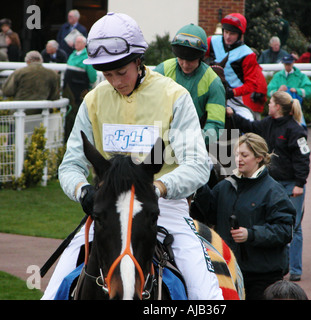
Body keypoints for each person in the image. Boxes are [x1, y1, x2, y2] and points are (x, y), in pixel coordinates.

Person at [42, 12, 223, 300]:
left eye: (120, 72)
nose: (114, 82)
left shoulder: (174, 97)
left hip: (162, 207)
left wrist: (159, 188)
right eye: (107, 74)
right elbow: (71, 164)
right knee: (51, 294)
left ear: (138, 60)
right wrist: (82, 191)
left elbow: (198, 164)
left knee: (208, 297)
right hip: (107, 209)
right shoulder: (92, 101)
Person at [226, 91, 310, 283]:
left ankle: (294, 269)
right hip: (272, 184)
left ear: (278, 106)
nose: (268, 105)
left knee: (293, 227)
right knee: (270, 224)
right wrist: (232, 114)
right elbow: (250, 126)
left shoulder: (295, 129)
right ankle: (280, 264)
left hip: (291, 185)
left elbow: (303, 157)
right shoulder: (268, 124)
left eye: (271, 103)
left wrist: (300, 183)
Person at [200, 133, 296, 299]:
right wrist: (200, 183)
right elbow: (207, 214)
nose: (239, 159)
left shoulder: (274, 191)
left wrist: (251, 234)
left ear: (259, 158)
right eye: (237, 154)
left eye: (244, 155)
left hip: (262, 276)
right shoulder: (224, 186)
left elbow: (285, 230)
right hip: (228, 271)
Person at [154, 23, 225, 145]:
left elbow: (216, 125)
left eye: (191, 60)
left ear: (201, 57)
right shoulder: (162, 70)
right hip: (159, 139)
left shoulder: (214, 82)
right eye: (181, 58)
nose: (185, 64)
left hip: (192, 143)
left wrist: (192, 142)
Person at [205, 13, 267, 120]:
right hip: (208, 92)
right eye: (226, 32)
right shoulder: (211, 41)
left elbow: (250, 85)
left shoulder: (247, 54)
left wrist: (232, 92)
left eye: (232, 34)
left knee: (248, 121)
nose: (228, 37)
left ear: (239, 35)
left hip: (233, 99)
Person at [63, 35, 97, 141]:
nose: (75, 44)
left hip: (80, 90)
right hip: (69, 89)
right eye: (75, 42)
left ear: (84, 44)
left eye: (78, 42)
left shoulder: (87, 56)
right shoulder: (72, 55)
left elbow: (92, 76)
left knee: (78, 113)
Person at [267, 54, 311, 127]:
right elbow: (269, 91)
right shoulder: (277, 76)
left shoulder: (300, 76)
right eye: (286, 64)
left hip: (295, 108)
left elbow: (309, 90)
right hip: (280, 110)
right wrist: (278, 90)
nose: (287, 66)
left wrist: (297, 90)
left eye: (289, 64)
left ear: (293, 63)